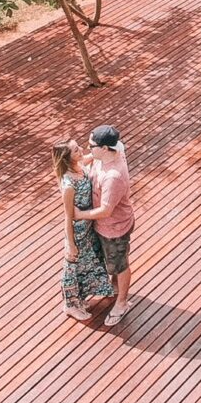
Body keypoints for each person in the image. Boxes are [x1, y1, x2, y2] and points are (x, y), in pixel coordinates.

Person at [76, 124, 134, 327]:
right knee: (113, 263)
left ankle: (122, 303)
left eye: (91, 146)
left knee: (119, 264)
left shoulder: (113, 177)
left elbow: (105, 211)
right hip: (106, 226)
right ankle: (115, 288)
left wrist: (78, 214)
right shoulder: (114, 150)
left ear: (104, 148)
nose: (87, 147)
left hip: (114, 228)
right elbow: (119, 145)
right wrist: (88, 159)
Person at [53, 138, 113, 322]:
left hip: (88, 227)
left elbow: (92, 157)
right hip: (77, 231)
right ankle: (70, 305)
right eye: (75, 150)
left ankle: (80, 298)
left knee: (87, 262)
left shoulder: (79, 165)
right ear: (67, 158)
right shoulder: (69, 185)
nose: (80, 150)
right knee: (73, 265)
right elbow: (68, 217)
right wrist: (70, 244)